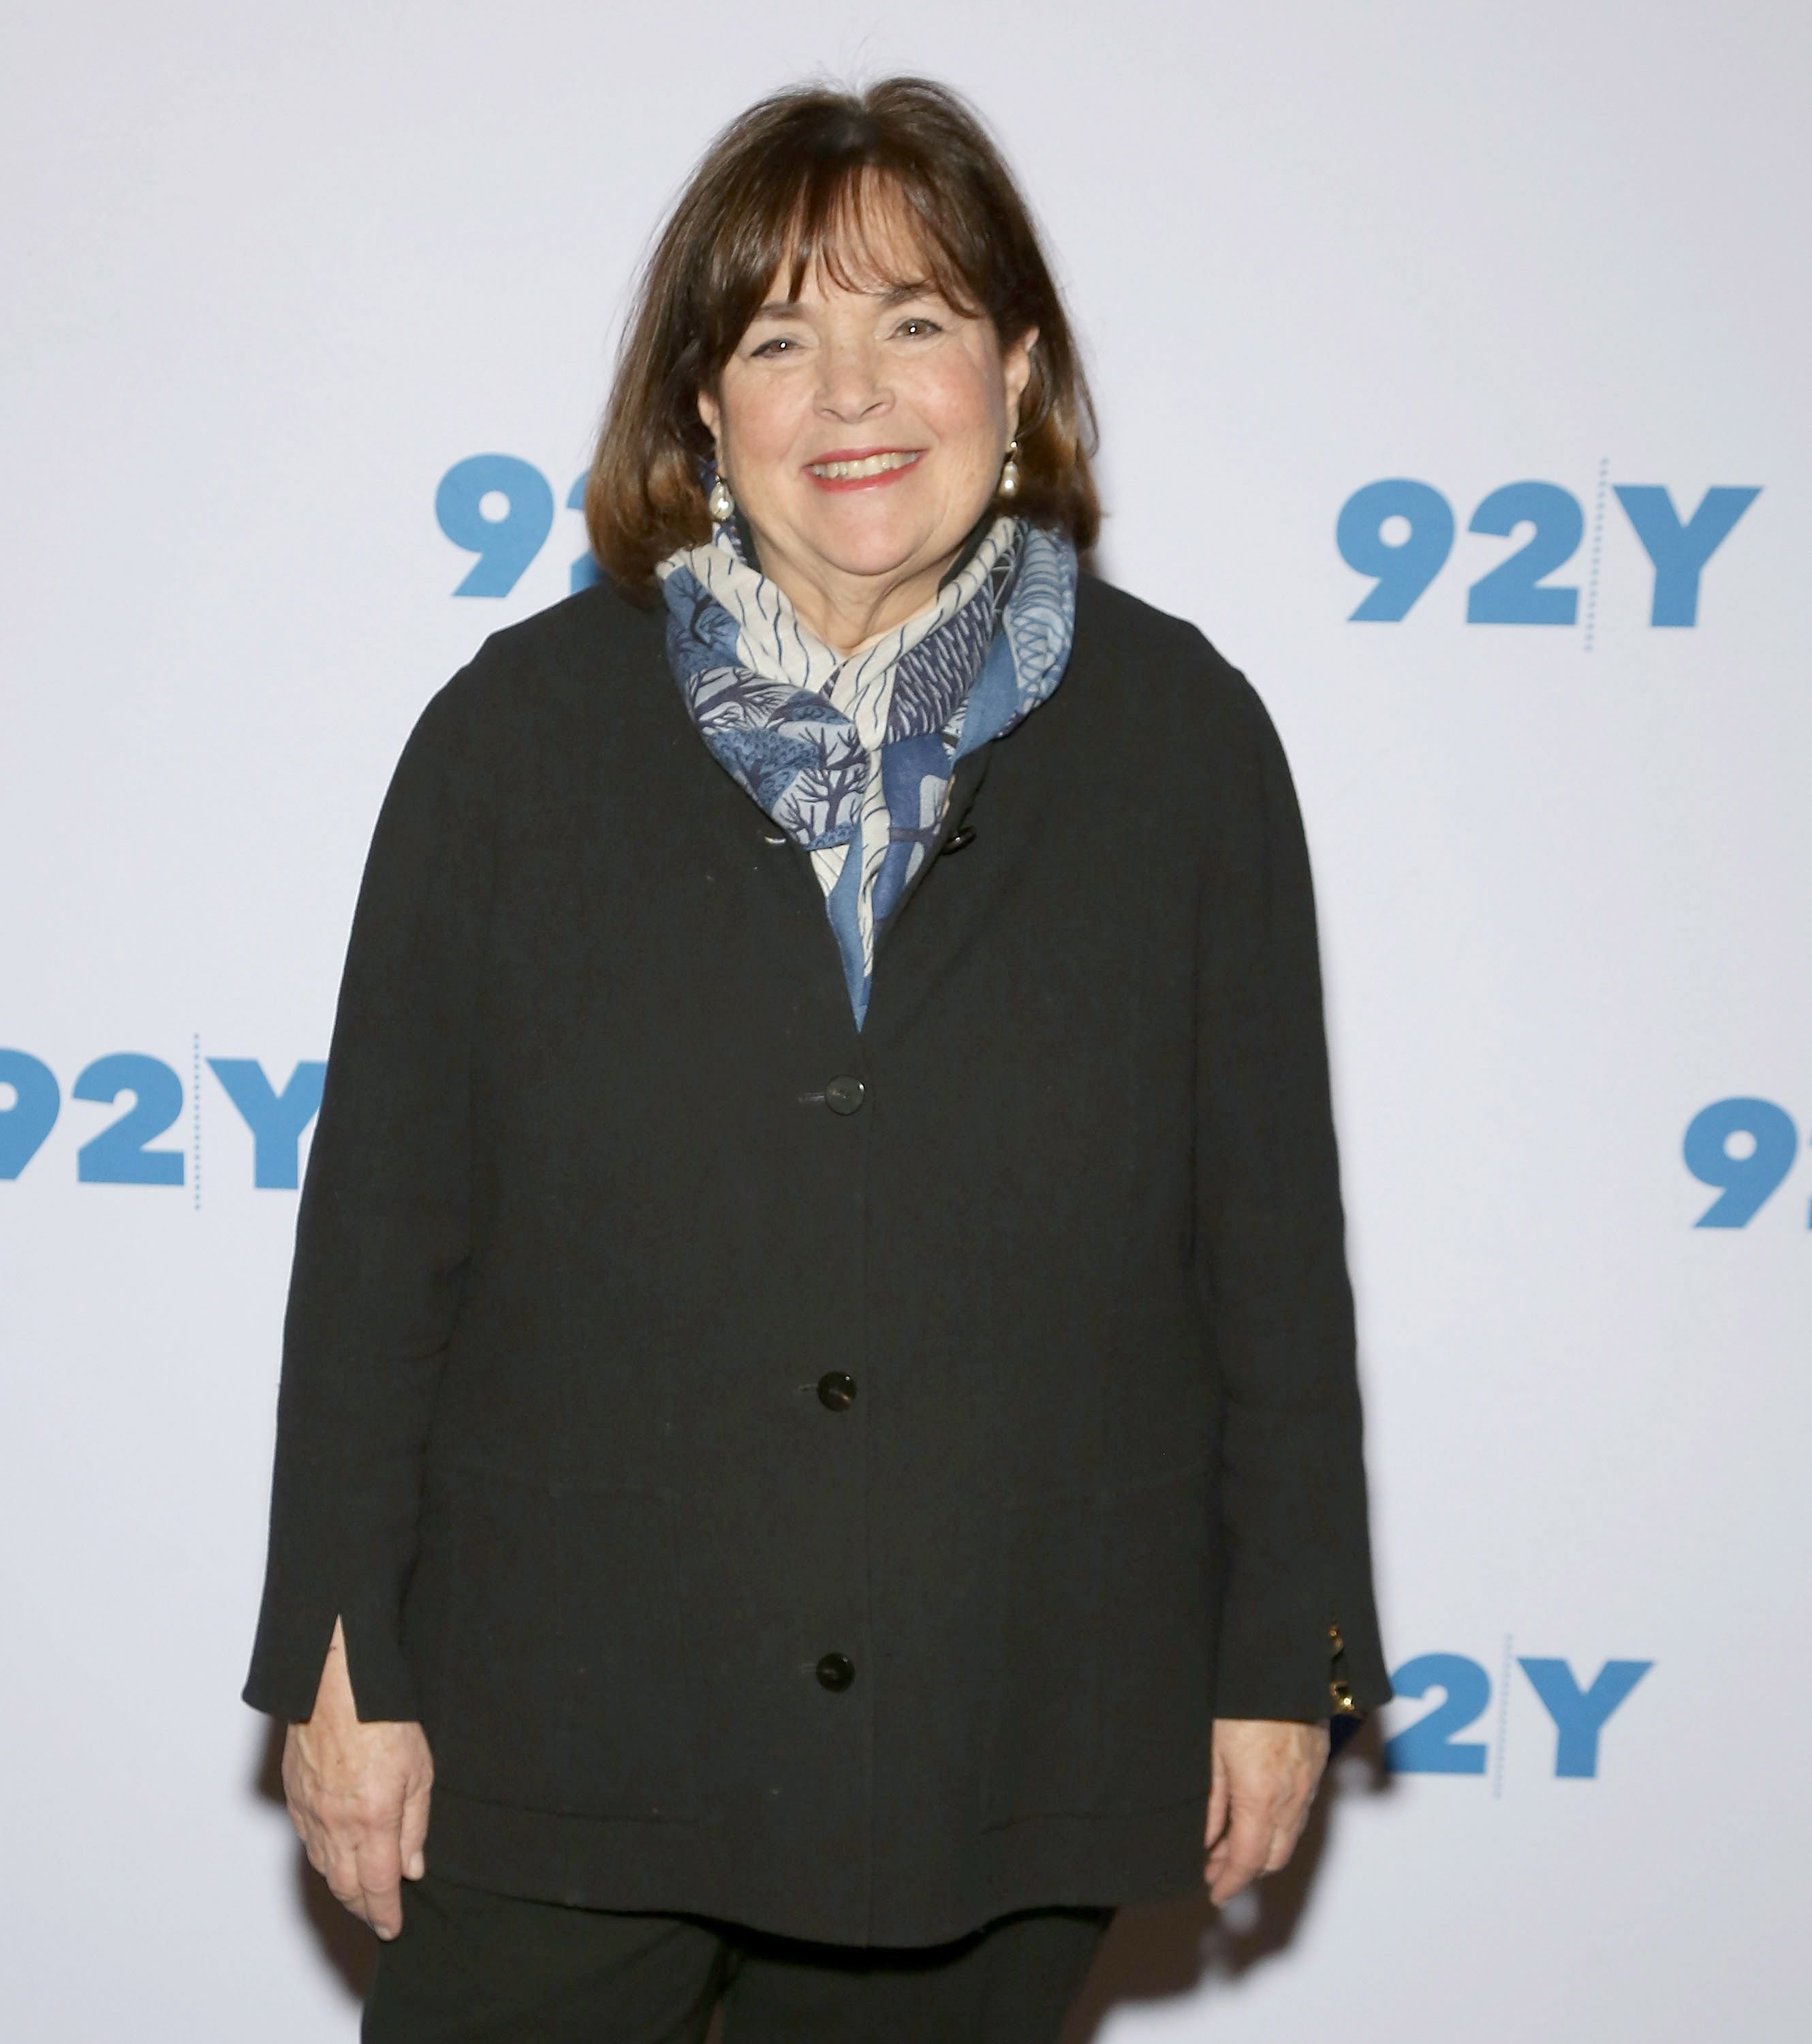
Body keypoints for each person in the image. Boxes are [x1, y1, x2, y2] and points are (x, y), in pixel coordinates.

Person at [245, 75, 1391, 2044]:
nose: (851, 395)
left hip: (1005, 1706)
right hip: (563, 1724)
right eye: (781, 338)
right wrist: (343, 1652)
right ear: (703, 407)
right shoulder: (510, 744)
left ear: (1017, 370)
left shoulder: (1187, 744)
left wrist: (1280, 1653)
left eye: (917, 322)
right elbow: (378, 1252)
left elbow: (1267, 1250)